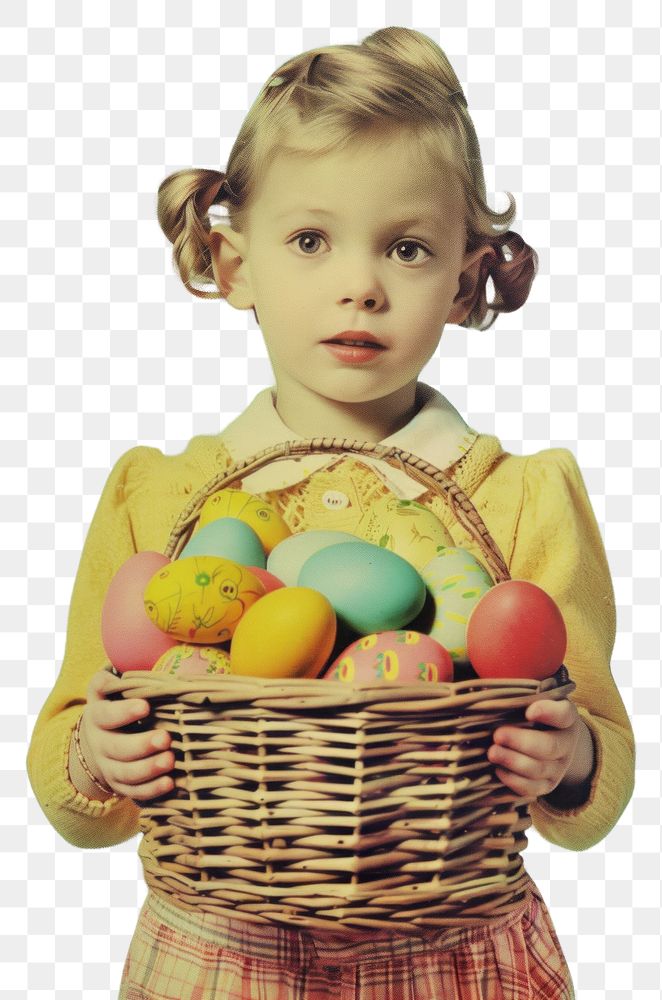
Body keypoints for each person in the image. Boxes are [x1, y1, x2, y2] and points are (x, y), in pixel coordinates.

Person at [27, 26, 634, 999]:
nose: (360, 282)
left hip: (450, 958)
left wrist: (570, 758)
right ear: (234, 267)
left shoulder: (515, 498)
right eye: (310, 239)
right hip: (220, 961)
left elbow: (595, 761)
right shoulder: (163, 497)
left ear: (462, 279)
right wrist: (95, 752)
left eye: (406, 246)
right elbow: (74, 784)